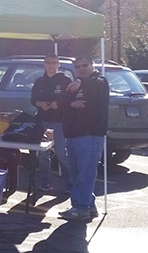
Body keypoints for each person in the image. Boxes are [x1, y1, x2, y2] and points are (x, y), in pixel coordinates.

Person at [59, 55, 109, 220]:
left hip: (90, 135)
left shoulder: (99, 81)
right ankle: (88, 204)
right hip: (73, 135)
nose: (81, 69)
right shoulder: (73, 84)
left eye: (84, 65)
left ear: (92, 65)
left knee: (85, 174)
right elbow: (63, 102)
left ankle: (81, 208)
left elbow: (97, 84)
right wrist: (72, 104)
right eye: (78, 67)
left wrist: (81, 83)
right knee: (75, 174)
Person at [30, 54, 70, 192]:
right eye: (48, 63)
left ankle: (70, 183)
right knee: (42, 154)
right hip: (43, 120)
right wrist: (39, 103)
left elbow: (70, 99)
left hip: (60, 121)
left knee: (61, 153)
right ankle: (46, 182)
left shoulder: (65, 80)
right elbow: (33, 99)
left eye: (54, 63)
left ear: (58, 64)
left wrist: (57, 104)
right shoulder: (39, 81)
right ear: (44, 64)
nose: (51, 65)